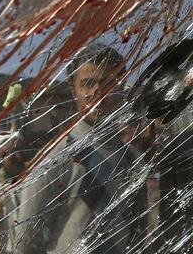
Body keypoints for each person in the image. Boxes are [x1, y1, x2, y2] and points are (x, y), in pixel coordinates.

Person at [12, 43, 143, 254]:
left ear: (123, 87)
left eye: (109, 82)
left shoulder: (134, 158)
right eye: (88, 84)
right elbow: (26, 242)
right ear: (74, 90)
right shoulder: (56, 158)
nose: (98, 92)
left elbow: (141, 227)